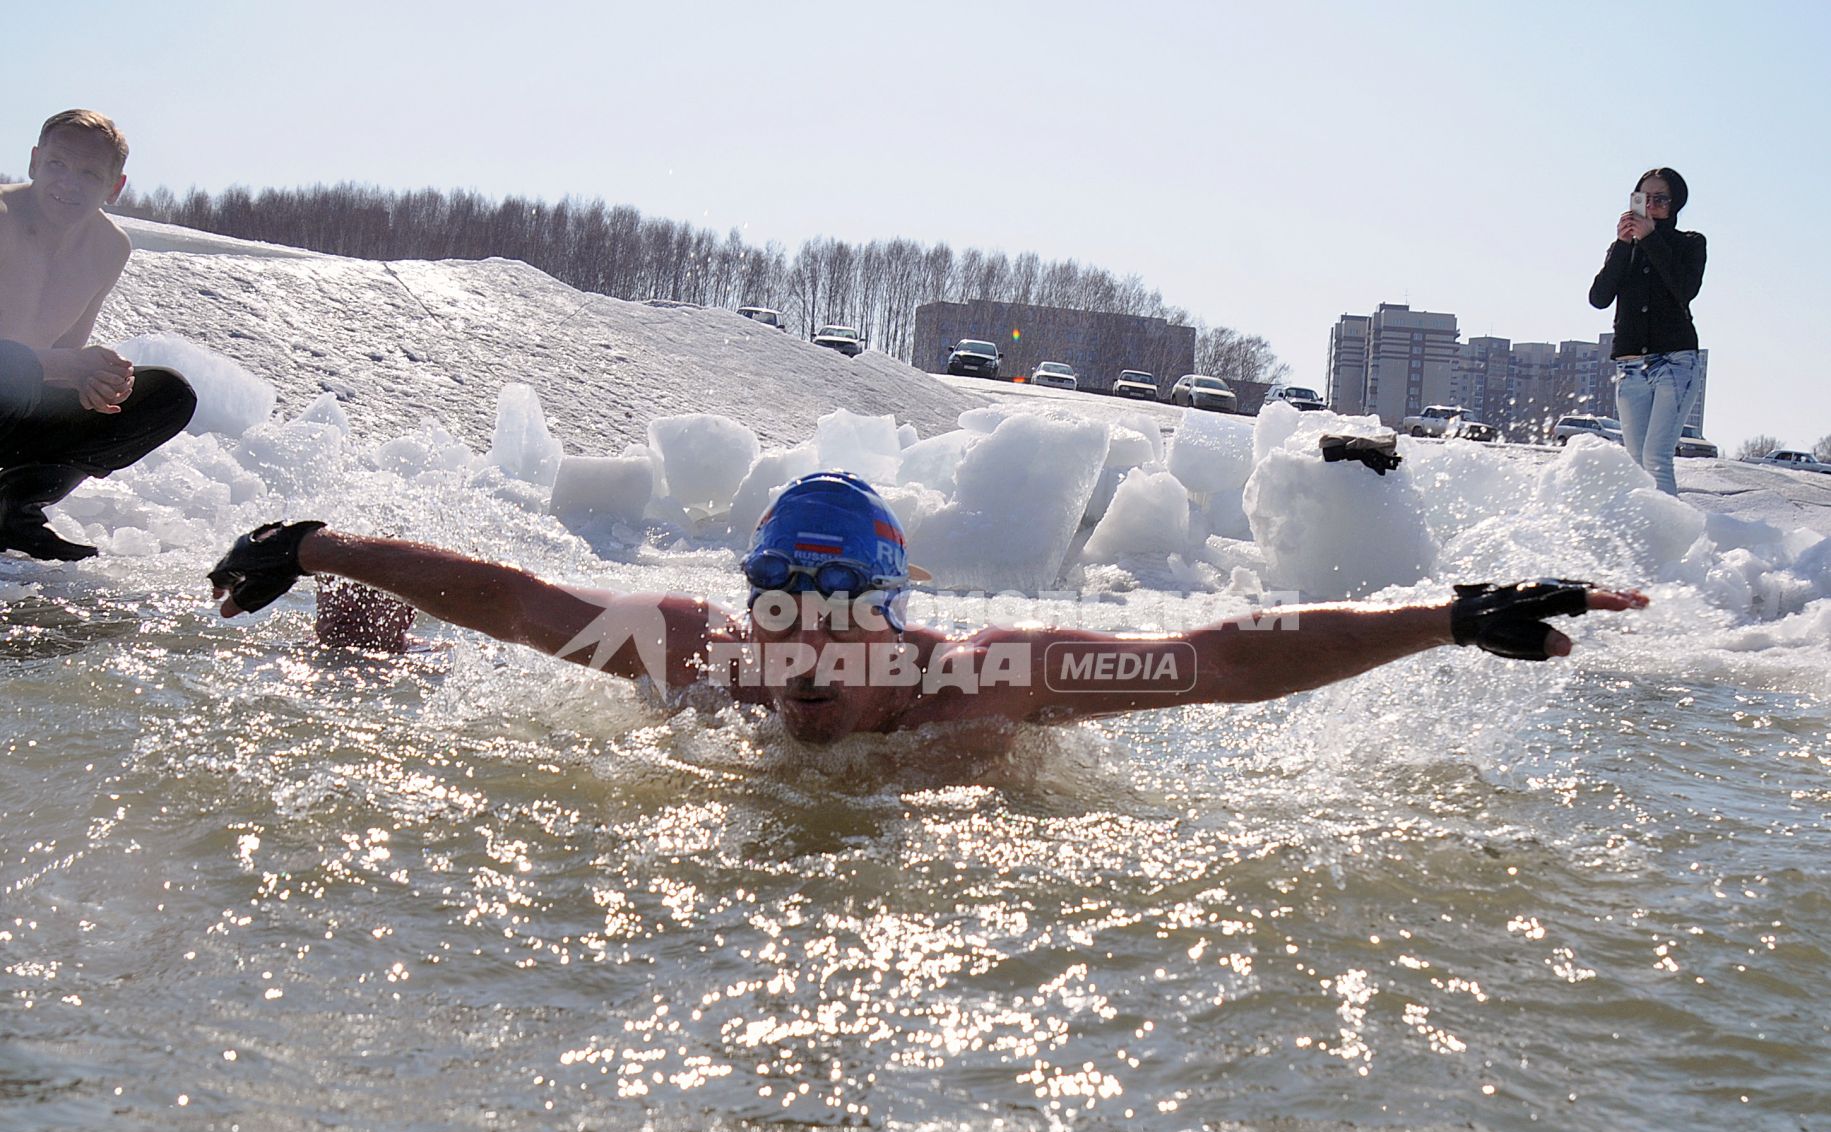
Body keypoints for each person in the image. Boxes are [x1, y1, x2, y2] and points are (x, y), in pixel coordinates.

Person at [209, 472, 1649, 746]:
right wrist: (321, 544)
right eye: (778, 635)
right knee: (360, 630)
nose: (798, 682)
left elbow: (1212, 661)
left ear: (894, 629)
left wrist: (1440, 620)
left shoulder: (999, 681)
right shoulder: (698, 657)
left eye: (831, 641)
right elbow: (517, 600)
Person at [0, 109, 197, 560]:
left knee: (167, 395)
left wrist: (93, 379)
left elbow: (62, 357)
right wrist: (65, 365)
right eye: (57, 165)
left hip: (14, 409)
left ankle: (13, 506)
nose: (68, 184)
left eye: (89, 174)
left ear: (115, 187)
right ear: (34, 162)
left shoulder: (109, 247)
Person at [1588, 167, 1707, 496]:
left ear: (1674, 205)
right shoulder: (1624, 249)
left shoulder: (1689, 243)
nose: (1651, 205)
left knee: (1656, 458)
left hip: (1674, 362)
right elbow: (1598, 298)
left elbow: (1684, 289)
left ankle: (1665, 541)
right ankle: (1645, 537)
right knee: (1636, 463)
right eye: (1644, 198)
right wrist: (1623, 244)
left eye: (1660, 199)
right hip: (1630, 368)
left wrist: (1652, 238)